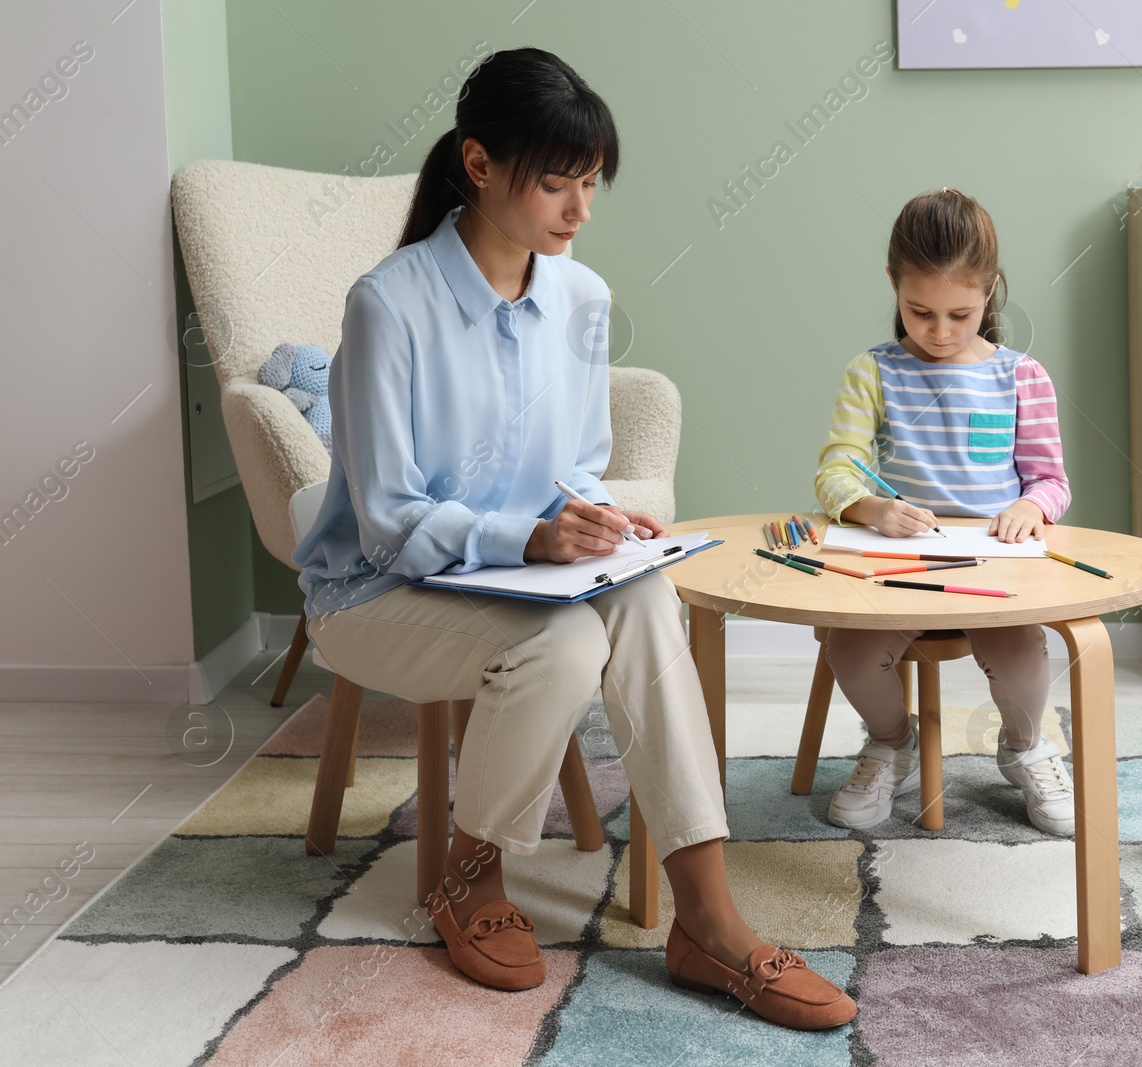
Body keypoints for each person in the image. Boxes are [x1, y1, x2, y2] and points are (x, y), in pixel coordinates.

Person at [293, 47, 853, 1031]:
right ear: (477, 163)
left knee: (641, 593)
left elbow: (577, 462)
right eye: (557, 182)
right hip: (377, 594)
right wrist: (531, 534)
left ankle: (708, 917)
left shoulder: (580, 299)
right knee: (562, 640)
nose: (579, 209)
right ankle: (470, 876)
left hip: (516, 580)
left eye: (590, 184)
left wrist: (593, 519)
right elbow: (386, 519)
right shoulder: (388, 305)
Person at [812, 188, 1075, 837]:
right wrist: (871, 507)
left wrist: (1028, 505)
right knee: (848, 647)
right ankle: (890, 742)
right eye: (918, 311)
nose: (938, 331)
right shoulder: (871, 371)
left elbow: (1050, 480)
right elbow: (836, 467)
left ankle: (1024, 745)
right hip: (898, 563)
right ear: (893, 285)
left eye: (960, 313)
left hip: (993, 563)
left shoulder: (1022, 376)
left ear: (990, 290)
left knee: (1020, 650)